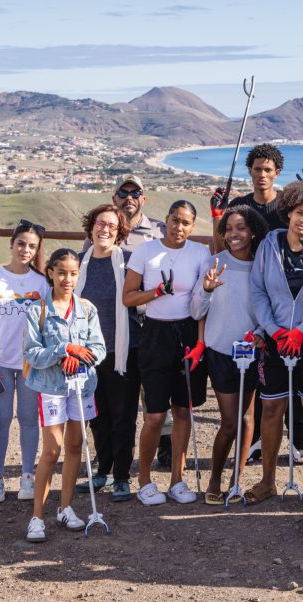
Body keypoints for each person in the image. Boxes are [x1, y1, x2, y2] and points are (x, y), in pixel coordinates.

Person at [211, 142, 303, 464]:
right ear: (250, 171)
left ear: (277, 172)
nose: (262, 174)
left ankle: (298, 441)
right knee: (260, 378)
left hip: (284, 298)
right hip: (251, 296)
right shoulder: (238, 205)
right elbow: (222, 244)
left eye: (268, 169)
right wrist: (216, 216)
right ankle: (252, 443)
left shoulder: (286, 206)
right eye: (257, 169)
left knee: (291, 374)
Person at [247, 181, 303, 505]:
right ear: (288, 212)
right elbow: (257, 290)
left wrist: (301, 331)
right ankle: (267, 481)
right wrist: (274, 330)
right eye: (299, 213)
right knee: (271, 407)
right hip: (275, 339)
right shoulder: (269, 243)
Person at [122, 200, 212, 506]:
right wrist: (157, 292)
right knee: (155, 415)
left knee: (183, 410)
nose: (179, 227)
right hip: (155, 334)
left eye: (186, 223)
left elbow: (203, 302)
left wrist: (200, 343)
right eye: (175, 220)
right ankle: (145, 480)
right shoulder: (146, 251)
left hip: (188, 334)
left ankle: (177, 480)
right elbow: (128, 297)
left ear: (193, 226)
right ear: (166, 220)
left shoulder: (200, 253)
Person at [22, 248, 106, 542]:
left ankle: (65, 508)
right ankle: (37, 517)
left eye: (73, 273)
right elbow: (32, 353)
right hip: (51, 389)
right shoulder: (37, 310)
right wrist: (64, 350)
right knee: (51, 451)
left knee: (74, 446)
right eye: (61, 273)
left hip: (82, 386)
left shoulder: (87, 309)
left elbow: (99, 348)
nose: (67, 279)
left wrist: (80, 357)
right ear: (50, 273)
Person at [190, 206, 269, 504]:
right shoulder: (214, 262)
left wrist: (261, 332)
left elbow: (268, 308)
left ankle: (236, 481)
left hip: (251, 351)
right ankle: (214, 479)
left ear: (253, 231)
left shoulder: (262, 266)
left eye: (241, 227)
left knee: (247, 418)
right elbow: (196, 311)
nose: (234, 234)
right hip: (221, 351)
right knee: (230, 422)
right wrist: (207, 289)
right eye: (229, 228)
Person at [0, 220, 49, 504]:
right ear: (12, 244)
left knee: (29, 420)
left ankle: (27, 476)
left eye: (32, 246)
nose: (25, 250)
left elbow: (48, 324)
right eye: (21, 244)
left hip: (30, 364)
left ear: (37, 250)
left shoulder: (41, 283)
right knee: (1, 420)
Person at [109, 173, 176, 470]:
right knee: (120, 391)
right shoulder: (104, 230)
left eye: (135, 193)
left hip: (152, 320)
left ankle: (165, 446)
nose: (129, 198)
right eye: (123, 193)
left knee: (156, 387)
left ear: (143, 199)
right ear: (114, 198)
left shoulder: (160, 231)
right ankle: (116, 452)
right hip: (116, 322)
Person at [75, 204, 139, 502]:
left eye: (112, 226)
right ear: (91, 227)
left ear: (120, 232)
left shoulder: (129, 262)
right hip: (86, 353)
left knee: (123, 416)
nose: (105, 229)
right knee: (97, 415)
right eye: (101, 223)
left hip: (121, 349)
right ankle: (102, 470)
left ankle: (122, 476)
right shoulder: (78, 263)